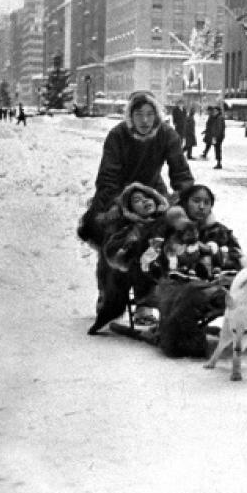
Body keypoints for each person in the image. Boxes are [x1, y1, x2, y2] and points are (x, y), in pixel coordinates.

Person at [79, 90, 194, 334]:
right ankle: (107, 294)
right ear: (130, 116)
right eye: (139, 114)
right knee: (113, 239)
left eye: (150, 114)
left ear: (157, 115)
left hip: (152, 193)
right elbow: (108, 176)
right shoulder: (117, 136)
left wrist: (186, 198)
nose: (145, 120)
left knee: (158, 241)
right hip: (119, 194)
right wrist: (120, 204)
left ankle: (146, 300)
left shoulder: (166, 135)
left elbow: (180, 172)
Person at [203, 104, 226, 169]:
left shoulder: (219, 118)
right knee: (217, 149)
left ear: (218, 111)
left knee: (218, 149)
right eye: (214, 111)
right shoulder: (216, 117)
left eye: (216, 111)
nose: (214, 112)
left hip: (218, 137)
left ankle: (219, 163)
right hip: (216, 136)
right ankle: (218, 163)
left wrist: (215, 137)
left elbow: (219, 128)